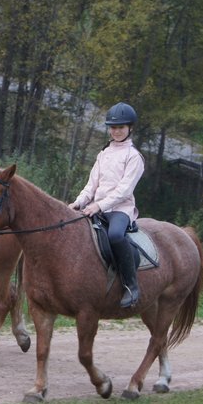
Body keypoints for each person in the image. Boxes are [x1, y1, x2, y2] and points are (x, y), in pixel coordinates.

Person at [68, 102, 144, 307]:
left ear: (130, 128)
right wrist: (78, 202)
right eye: (113, 127)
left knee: (116, 236)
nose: (116, 131)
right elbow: (91, 185)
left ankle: (131, 285)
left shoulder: (134, 157)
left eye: (121, 127)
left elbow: (124, 190)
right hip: (95, 206)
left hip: (120, 209)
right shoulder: (104, 154)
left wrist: (99, 206)